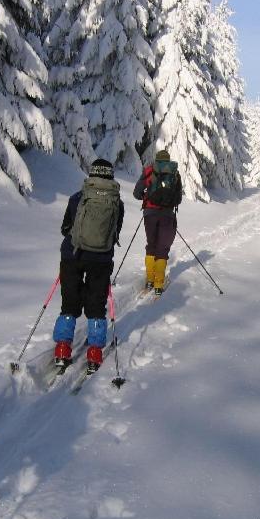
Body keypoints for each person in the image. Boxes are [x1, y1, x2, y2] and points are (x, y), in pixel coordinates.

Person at [52, 158, 124, 373]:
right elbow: (115, 233)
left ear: (92, 174)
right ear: (110, 175)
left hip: (72, 256)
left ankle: (63, 349)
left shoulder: (78, 197)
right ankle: (94, 352)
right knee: (96, 305)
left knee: (69, 302)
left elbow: (65, 228)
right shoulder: (116, 202)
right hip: (101, 260)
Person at [133, 150, 183, 296]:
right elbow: (178, 198)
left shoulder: (149, 171)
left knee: (151, 245)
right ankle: (158, 284)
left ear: (157, 160)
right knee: (162, 248)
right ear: (168, 160)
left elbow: (136, 192)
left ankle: (150, 279)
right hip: (167, 215)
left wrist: (146, 197)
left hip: (150, 214)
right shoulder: (175, 174)